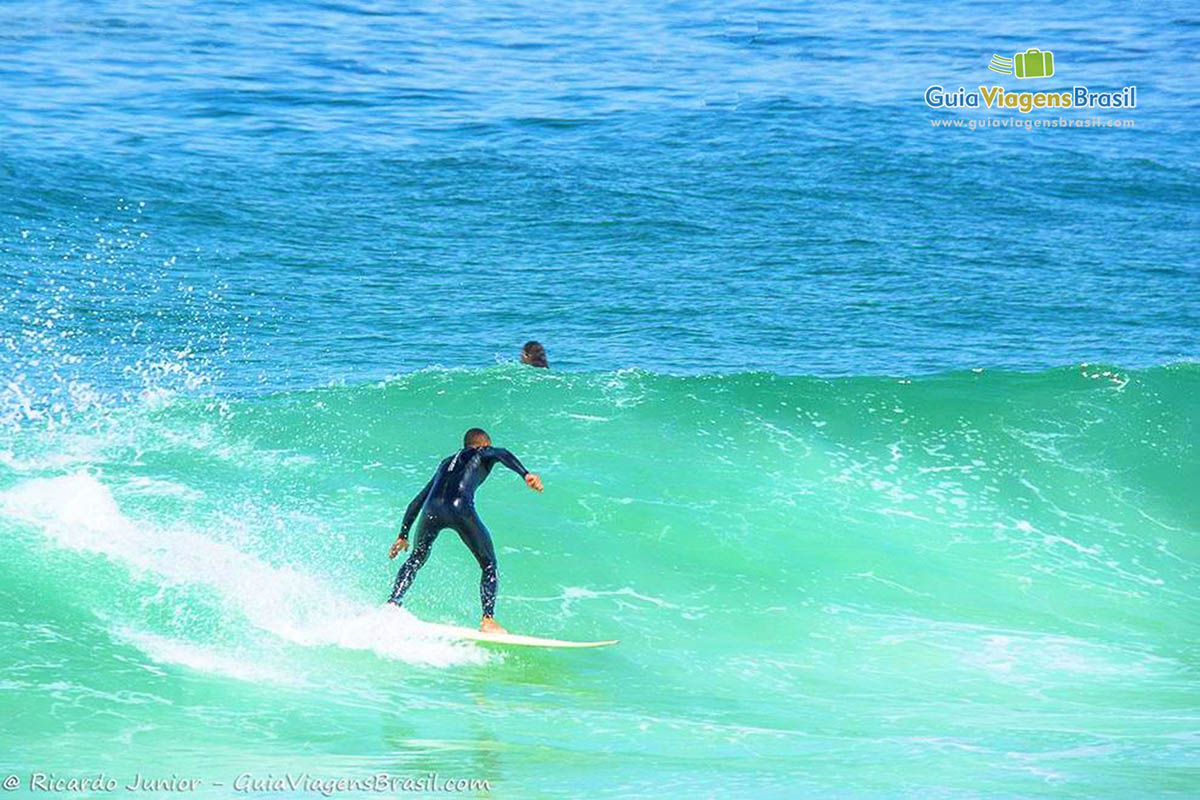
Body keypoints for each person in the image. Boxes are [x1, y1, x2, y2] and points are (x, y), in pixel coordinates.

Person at [387, 428, 543, 633]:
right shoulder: (482, 452)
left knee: (416, 557)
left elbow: (419, 498)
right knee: (488, 564)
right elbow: (502, 453)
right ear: (484, 445)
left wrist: (403, 534)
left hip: (431, 509)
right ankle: (487, 620)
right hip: (459, 507)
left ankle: (393, 603)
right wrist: (525, 474)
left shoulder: (445, 463)